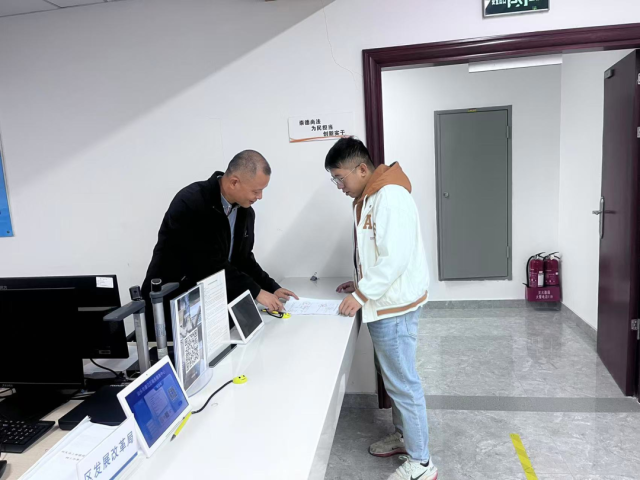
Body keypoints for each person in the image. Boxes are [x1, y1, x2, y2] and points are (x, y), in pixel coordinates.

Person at [327, 138, 436, 480]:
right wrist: (359, 283)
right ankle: (405, 437)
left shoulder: (390, 196)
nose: (339, 186)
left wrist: (362, 295)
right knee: (395, 378)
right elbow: (376, 253)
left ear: (362, 169)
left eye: (340, 178)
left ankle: (422, 464)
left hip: (395, 307)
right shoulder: (370, 197)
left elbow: (395, 258)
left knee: (403, 382)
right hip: (385, 302)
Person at [142, 150, 297, 341]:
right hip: (175, 301)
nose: (260, 197)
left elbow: (244, 259)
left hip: (211, 302)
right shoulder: (192, 202)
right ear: (234, 182)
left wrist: (271, 287)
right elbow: (207, 263)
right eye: (256, 191)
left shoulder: (245, 212)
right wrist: (256, 291)